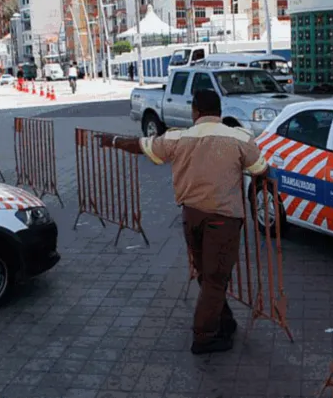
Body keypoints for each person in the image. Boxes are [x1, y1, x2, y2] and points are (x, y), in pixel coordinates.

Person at [98, 90, 268, 355]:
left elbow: (141, 146)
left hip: (192, 217)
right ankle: (204, 337)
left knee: (207, 275)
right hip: (223, 221)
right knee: (215, 277)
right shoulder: (239, 137)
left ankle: (224, 320)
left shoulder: (177, 137)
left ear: (195, 112)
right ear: (219, 112)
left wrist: (113, 140)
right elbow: (260, 170)